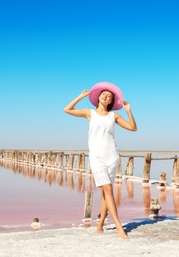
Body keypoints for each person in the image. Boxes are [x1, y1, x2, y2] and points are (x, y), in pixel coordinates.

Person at [64, 82, 137, 239]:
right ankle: (119, 227)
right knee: (108, 190)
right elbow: (67, 109)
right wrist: (80, 96)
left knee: (106, 192)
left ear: (111, 101)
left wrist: (129, 111)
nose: (106, 96)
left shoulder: (114, 116)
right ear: (98, 97)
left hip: (112, 156)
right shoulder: (90, 113)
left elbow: (132, 128)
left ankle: (100, 225)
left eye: (109, 96)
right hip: (96, 156)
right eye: (104, 94)